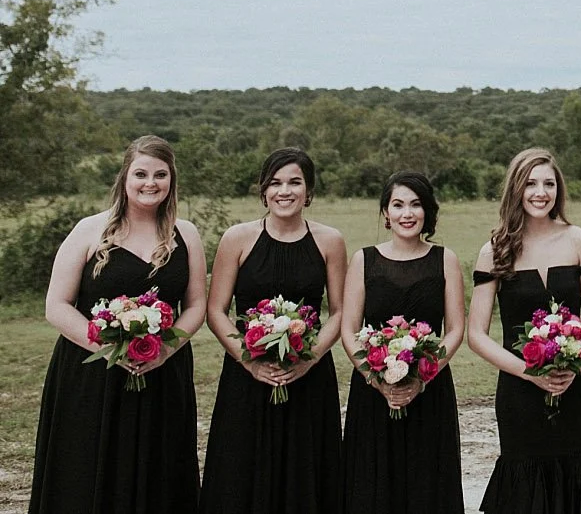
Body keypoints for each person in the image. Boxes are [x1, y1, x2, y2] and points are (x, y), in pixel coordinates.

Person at [30, 135, 208, 513]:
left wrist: (163, 352)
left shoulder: (186, 234)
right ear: (124, 177)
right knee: (87, 466)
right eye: (140, 173)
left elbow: (196, 307)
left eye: (161, 174)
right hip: (91, 374)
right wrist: (108, 348)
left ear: (172, 180)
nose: (150, 183)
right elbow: (57, 306)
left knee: (159, 469)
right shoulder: (90, 230)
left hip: (163, 374)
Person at [200, 148, 347, 513]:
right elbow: (215, 311)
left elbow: (340, 311)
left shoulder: (330, 241)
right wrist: (249, 362)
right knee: (242, 471)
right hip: (246, 377)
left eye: (295, 182)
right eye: (276, 183)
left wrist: (308, 360)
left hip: (308, 378)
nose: (285, 191)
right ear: (263, 190)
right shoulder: (237, 238)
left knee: (306, 471)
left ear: (308, 191)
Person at [468, 148, 581, 513]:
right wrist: (530, 373)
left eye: (549, 183)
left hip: (574, 389)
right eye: (531, 183)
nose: (540, 192)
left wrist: (578, 362)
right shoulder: (494, 250)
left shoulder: (579, 240)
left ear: (558, 190)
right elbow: (477, 335)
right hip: (519, 394)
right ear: (516, 189)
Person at [341, 171, 466, 514]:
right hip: (372, 390)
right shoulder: (364, 259)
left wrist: (422, 376)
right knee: (373, 481)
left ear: (427, 212)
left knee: (427, 482)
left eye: (415, 204)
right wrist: (377, 379)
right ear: (385, 212)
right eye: (398, 205)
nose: (407, 213)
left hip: (429, 389)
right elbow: (349, 328)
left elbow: (455, 328)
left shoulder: (445, 259)